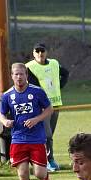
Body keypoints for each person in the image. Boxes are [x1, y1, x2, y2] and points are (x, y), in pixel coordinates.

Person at [0, 62, 53, 180]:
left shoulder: (37, 92)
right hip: (18, 138)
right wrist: (5, 121)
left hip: (36, 139)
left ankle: (46, 178)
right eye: (16, 74)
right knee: (22, 174)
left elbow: (49, 109)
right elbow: (1, 113)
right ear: (12, 76)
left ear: (26, 75)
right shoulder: (7, 96)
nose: (19, 77)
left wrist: (37, 119)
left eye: (21, 74)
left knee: (39, 173)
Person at [26, 42, 69, 173]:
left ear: (46, 52)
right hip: (41, 107)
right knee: (47, 135)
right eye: (37, 51)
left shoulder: (54, 64)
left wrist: (59, 86)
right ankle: (48, 161)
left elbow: (65, 73)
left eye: (42, 51)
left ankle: (40, 160)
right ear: (33, 53)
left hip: (55, 104)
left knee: (49, 135)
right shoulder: (29, 67)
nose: (40, 54)